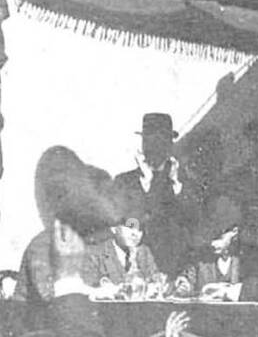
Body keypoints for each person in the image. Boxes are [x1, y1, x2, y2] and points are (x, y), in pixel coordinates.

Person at [113, 112, 198, 276]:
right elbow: (129, 224)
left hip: (177, 273)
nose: (156, 147)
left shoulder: (182, 184)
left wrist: (176, 184)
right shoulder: (124, 182)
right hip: (139, 272)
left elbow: (193, 223)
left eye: (162, 140)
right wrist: (147, 182)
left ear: (170, 146)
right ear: (143, 144)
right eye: (150, 140)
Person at [84, 215, 161, 289]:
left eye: (140, 230)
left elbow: (155, 278)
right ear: (114, 228)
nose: (135, 234)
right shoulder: (96, 253)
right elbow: (88, 286)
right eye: (130, 227)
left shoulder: (144, 251)